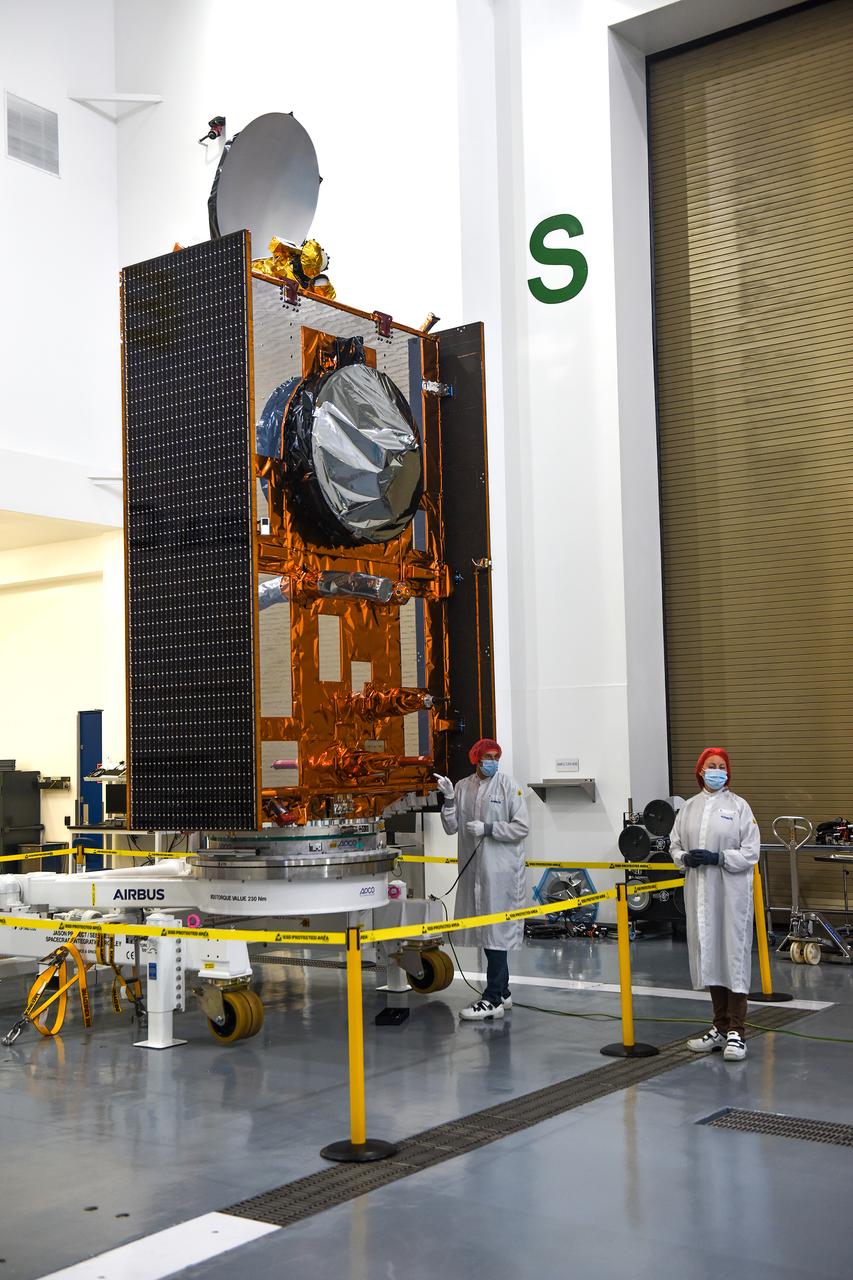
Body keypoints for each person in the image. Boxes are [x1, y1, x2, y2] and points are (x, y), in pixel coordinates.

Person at [669, 747, 761, 1062]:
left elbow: (752, 851)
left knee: (732, 956)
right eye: (712, 766)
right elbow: (674, 844)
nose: (717, 771)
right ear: (701, 770)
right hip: (700, 894)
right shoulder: (689, 808)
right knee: (710, 957)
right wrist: (684, 857)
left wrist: (719, 857)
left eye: (722, 766)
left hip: (731, 894)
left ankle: (737, 1031)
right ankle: (719, 1028)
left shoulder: (739, 807)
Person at [434, 739, 529, 1020]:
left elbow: (521, 827)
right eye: (487, 756)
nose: (492, 761)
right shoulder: (463, 787)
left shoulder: (509, 786)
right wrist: (450, 799)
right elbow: (451, 828)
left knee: (496, 933)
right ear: (475, 758)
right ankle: (504, 991)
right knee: (487, 932)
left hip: (501, 873)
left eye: (496, 757)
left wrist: (488, 828)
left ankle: (493, 999)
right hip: (474, 871)